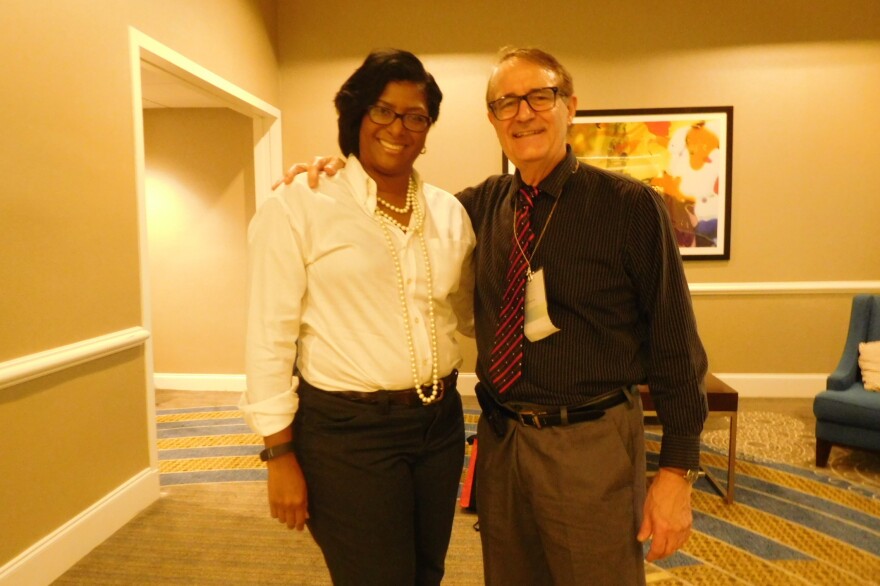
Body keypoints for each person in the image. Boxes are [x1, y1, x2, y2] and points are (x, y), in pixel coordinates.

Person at [282, 47, 708, 586]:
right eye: (506, 102)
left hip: (590, 445)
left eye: (540, 96)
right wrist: (341, 174)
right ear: (492, 119)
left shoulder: (627, 206)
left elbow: (675, 344)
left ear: (570, 106)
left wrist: (676, 472)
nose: (523, 113)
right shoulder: (477, 208)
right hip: (502, 441)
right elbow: (397, 209)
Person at [240, 49, 476, 586]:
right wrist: (278, 454)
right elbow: (268, 337)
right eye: (382, 110)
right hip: (348, 435)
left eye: (415, 116)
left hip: (438, 425)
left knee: (426, 571)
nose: (399, 127)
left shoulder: (448, 212)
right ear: (355, 115)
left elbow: (466, 312)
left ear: (428, 127)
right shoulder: (299, 204)